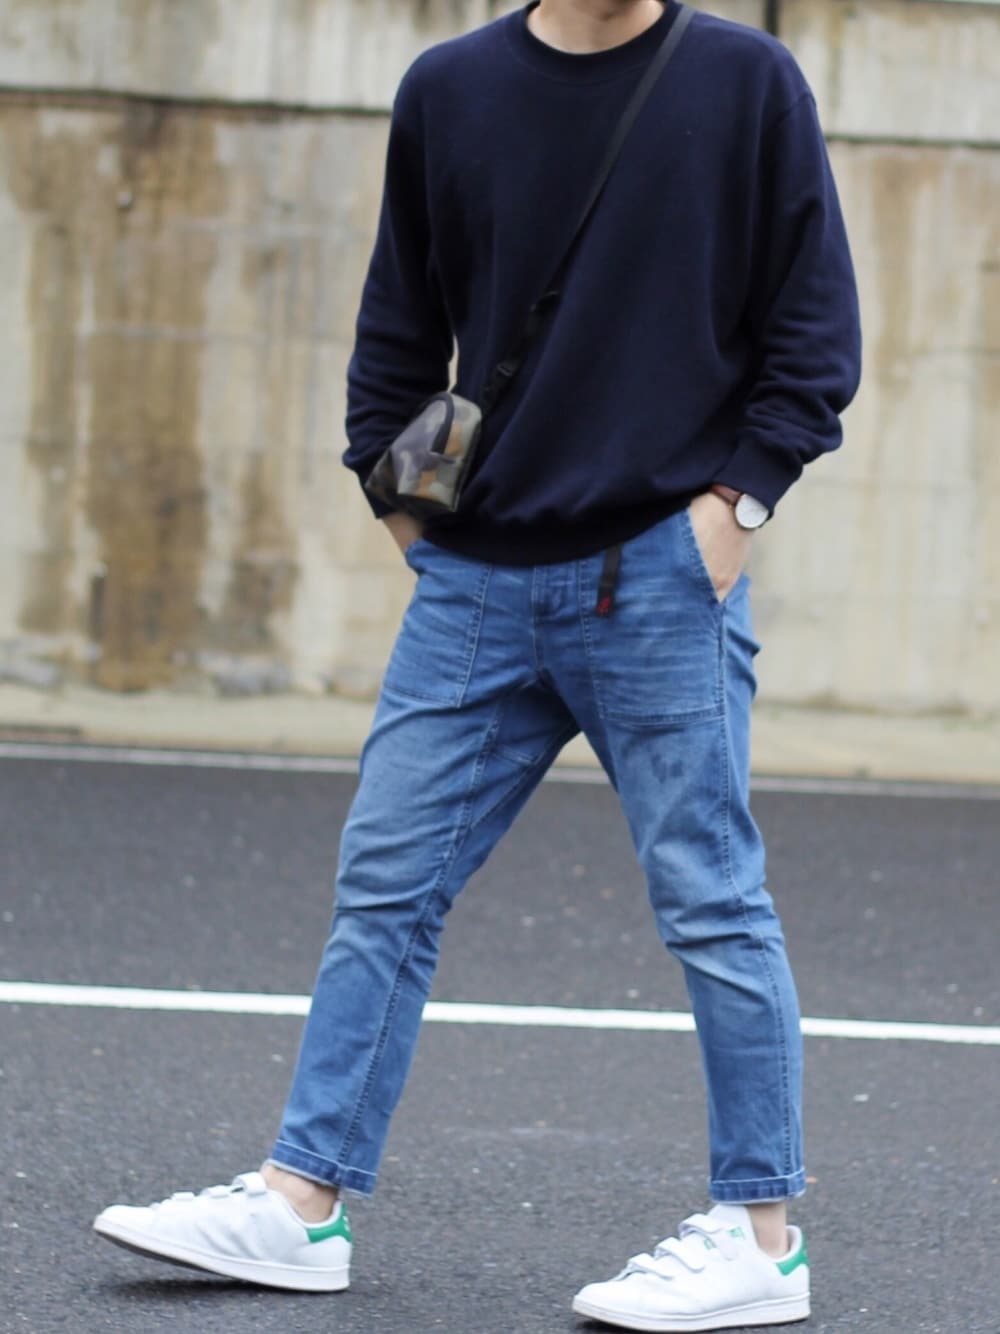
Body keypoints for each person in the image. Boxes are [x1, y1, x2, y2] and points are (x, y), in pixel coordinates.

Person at [93, 1, 861, 1328]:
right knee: (385, 888)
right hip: (476, 590)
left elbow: (814, 330)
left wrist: (735, 510)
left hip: (659, 575)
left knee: (712, 900)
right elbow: (399, 325)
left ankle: (759, 1237)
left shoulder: (746, 83)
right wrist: (409, 525)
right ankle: (299, 1204)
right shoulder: (450, 88)